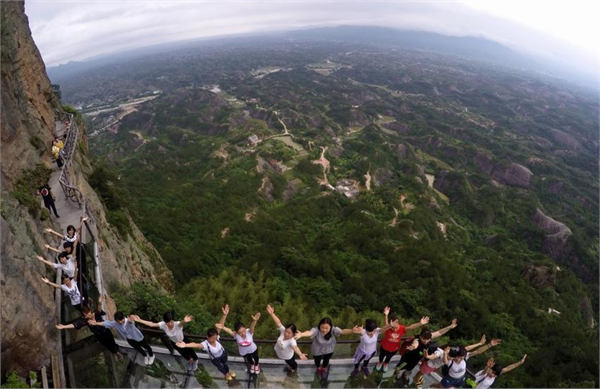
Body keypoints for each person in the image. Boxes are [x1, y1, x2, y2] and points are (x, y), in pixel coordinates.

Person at [176, 304, 237, 381]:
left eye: (215, 338)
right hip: (216, 358)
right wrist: (185, 345)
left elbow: (220, 326)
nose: (214, 340)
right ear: (208, 337)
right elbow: (196, 345)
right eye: (212, 339)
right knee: (221, 367)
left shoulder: (216, 337)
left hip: (223, 354)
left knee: (225, 364)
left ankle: (228, 371)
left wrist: (224, 315)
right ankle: (226, 373)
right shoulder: (206, 344)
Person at [56, 296, 124, 360]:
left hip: (106, 331)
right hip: (99, 336)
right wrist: (64, 326)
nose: (88, 315)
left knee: (111, 341)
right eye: (86, 315)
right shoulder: (86, 321)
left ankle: (117, 348)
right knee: (107, 345)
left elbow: (99, 310)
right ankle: (116, 352)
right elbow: (76, 324)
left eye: (88, 313)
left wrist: (99, 302)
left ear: (90, 311)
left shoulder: (96, 314)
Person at [395, 318, 458, 385]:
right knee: (401, 366)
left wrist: (449, 327)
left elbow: (439, 332)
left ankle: (405, 374)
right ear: (420, 336)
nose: (425, 341)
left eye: (427, 339)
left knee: (410, 367)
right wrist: (413, 347)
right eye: (423, 339)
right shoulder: (417, 339)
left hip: (416, 359)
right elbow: (415, 344)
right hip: (407, 357)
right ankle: (397, 372)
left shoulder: (428, 337)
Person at [295, 317, 361, 378]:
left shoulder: (333, 330)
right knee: (317, 360)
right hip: (317, 349)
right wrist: (301, 334)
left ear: (330, 327)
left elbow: (342, 331)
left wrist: (351, 330)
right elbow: (310, 332)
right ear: (319, 326)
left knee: (326, 360)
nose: (324, 330)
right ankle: (318, 368)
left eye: (327, 328)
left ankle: (323, 368)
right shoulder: (316, 330)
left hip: (329, 349)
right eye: (322, 327)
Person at [131, 312, 199, 371]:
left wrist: (184, 321)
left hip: (183, 341)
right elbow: (152, 324)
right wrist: (139, 320)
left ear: (173, 320)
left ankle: (195, 361)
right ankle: (190, 361)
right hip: (175, 343)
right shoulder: (164, 325)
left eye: (170, 322)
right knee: (185, 355)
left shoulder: (177, 324)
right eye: (167, 322)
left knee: (191, 352)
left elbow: (181, 323)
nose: (169, 324)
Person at [89, 311, 155, 366]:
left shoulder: (128, 322)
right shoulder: (115, 323)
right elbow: (107, 323)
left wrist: (130, 320)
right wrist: (96, 323)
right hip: (130, 339)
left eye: (121, 320)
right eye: (118, 321)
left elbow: (130, 322)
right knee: (138, 348)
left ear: (123, 318)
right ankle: (145, 356)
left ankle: (151, 355)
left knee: (146, 346)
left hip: (138, 337)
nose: (120, 322)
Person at [432, 337, 502, 388]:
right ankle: (431, 386)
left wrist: (489, 345)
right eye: (458, 357)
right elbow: (445, 361)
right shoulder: (451, 360)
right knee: (440, 387)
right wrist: (445, 354)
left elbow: (477, 351)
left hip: (460, 378)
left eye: (462, 358)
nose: (459, 360)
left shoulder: (464, 357)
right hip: (450, 377)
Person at [376, 306, 429, 373]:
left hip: (393, 349)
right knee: (381, 356)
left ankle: (386, 363)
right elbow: (385, 324)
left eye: (395, 325)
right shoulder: (388, 327)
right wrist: (386, 315)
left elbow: (410, 327)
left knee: (388, 357)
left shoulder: (401, 328)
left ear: (398, 323)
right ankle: (380, 362)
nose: (394, 328)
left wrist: (420, 323)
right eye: (392, 326)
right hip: (384, 347)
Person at [266, 304, 308, 374]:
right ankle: (290, 367)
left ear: (293, 334)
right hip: (280, 353)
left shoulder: (292, 340)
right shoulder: (283, 331)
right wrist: (272, 314)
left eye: (289, 333)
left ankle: (293, 369)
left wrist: (300, 354)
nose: (286, 333)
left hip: (287, 356)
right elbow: (278, 323)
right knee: (287, 362)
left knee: (292, 363)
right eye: (286, 331)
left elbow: (295, 347)